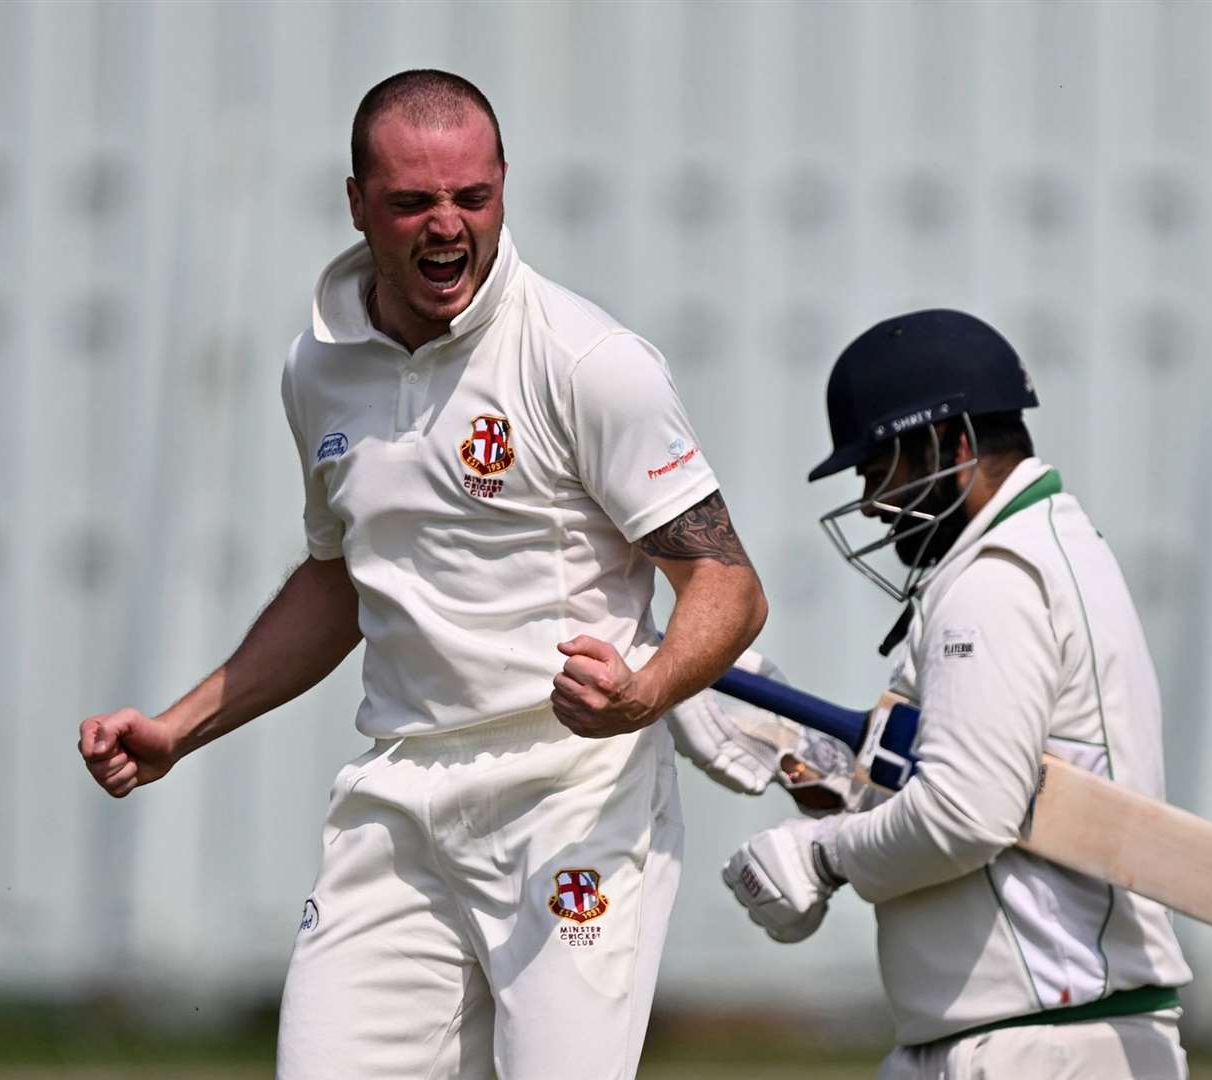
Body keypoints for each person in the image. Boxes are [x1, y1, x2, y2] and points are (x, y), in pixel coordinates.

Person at [77, 69, 767, 1080]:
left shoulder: (586, 360)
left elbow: (728, 585)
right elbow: (340, 582)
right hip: (399, 797)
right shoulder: (317, 368)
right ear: (356, 202)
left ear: (502, 190)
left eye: (471, 198)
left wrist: (644, 693)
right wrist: (181, 725)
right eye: (411, 202)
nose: (446, 227)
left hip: (571, 797)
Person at [721, 310, 1193, 1079]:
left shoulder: (994, 582)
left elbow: (966, 811)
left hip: (1041, 1044)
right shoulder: (1046, 551)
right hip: (1039, 1038)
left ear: (954, 444)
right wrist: (812, 765)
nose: (871, 503)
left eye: (879, 470)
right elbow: (959, 780)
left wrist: (823, 858)